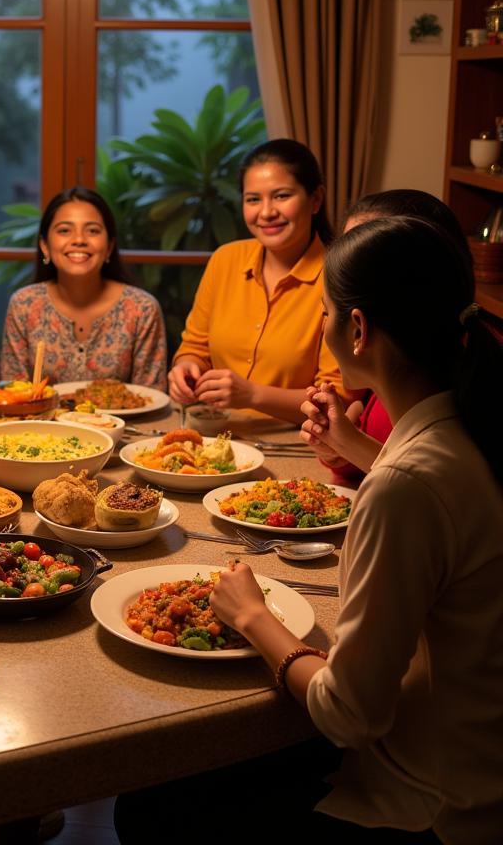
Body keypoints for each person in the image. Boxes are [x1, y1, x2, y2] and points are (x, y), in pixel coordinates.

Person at [201, 217, 502, 840]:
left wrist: (252, 614)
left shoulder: (402, 488)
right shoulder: (475, 429)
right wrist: (356, 446)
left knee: (153, 810)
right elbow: (435, 494)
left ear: (357, 329)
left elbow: (349, 715)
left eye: (327, 314)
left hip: (428, 804)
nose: (324, 328)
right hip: (475, 761)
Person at [167, 138, 348, 424]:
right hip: (212, 432)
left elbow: (338, 398)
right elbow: (195, 348)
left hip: (300, 445)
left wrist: (252, 395)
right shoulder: (225, 260)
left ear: (315, 200)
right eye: (253, 199)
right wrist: (186, 367)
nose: (266, 212)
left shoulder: (340, 277)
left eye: (281, 196)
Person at [300, 189, 471, 483]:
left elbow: (421, 482)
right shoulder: (386, 371)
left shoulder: (447, 386)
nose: (349, 263)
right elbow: (385, 464)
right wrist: (342, 444)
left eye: (366, 247)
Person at [0, 186, 165, 385]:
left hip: (125, 418)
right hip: (38, 418)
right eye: (64, 230)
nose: (79, 240)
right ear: (45, 246)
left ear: (109, 246)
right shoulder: (24, 305)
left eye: (93, 231)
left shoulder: (142, 309)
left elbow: (151, 398)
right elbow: (12, 392)